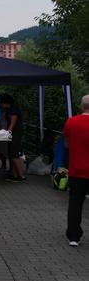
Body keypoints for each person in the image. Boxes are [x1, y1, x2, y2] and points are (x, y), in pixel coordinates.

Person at [63, 95, 89, 247]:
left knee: (75, 203)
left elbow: (66, 144)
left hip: (77, 169)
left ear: (81, 106)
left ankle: (74, 236)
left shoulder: (71, 122)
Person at [0, 94, 26, 183]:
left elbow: (13, 122)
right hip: (13, 133)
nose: (0, 106)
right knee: (12, 153)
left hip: (16, 133)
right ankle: (14, 174)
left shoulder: (14, 109)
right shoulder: (10, 109)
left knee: (14, 154)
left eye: (1, 103)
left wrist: (8, 132)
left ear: (4, 102)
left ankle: (21, 175)